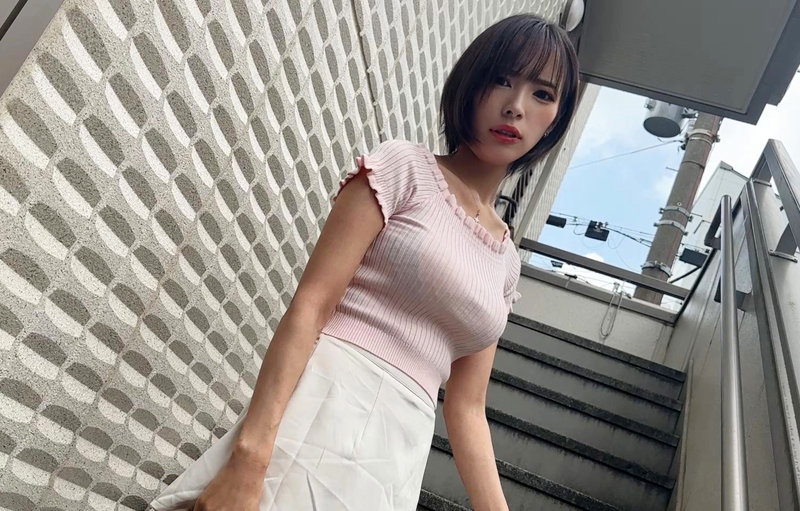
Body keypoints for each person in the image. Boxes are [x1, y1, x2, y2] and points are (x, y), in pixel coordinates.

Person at [149, 12, 579, 511]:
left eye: (542, 94)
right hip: (323, 406)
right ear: (471, 83)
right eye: (501, 80)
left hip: (396, 457)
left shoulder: (506, 262)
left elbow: (467, 407)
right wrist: (250, 455)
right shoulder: (404, 168)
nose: (515, 106)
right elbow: (312, 304)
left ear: (556, 119)